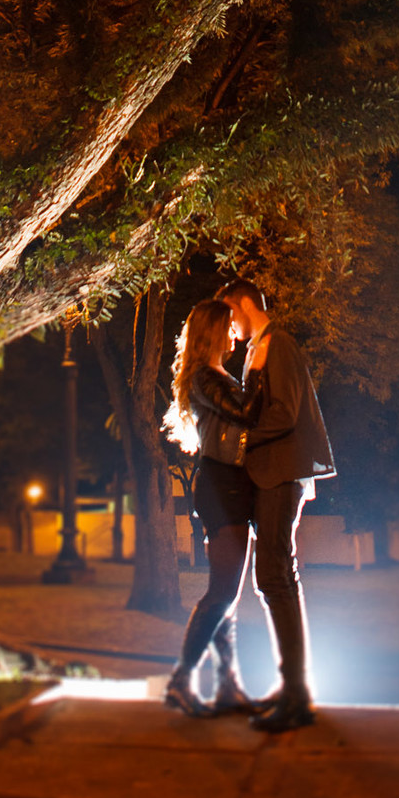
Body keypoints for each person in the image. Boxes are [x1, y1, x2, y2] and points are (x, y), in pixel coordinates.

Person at [218, 278, 335, 733]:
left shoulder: (279, 343)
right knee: (276, 577)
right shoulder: (258, 348)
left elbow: (285, 412)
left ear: (245, 304)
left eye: (230, 315)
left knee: (274, 577)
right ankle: (292, 689)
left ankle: (296, 695)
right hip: (271, 475)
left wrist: (241, 440)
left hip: (281, 475)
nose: (230, 326)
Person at [162, 299, 261, 718]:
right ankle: (182, 681)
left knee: (226, 594)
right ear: (212, 331)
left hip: (228, 486)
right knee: (223, 592)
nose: (235, 333)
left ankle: (228, 685)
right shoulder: (205, 376)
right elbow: (245, 413)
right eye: (228, 326)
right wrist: (261, 371)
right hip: (222, 487)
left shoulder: (214, 375)